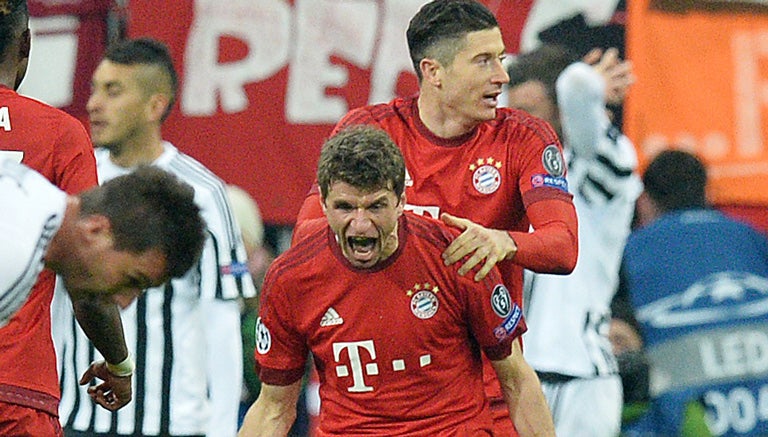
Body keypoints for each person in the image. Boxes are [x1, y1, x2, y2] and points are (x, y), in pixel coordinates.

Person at [294, 1, 577, 434]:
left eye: (501, 58)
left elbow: (563, 246)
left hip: (486, 394)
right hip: (376, 403)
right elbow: (307, 236)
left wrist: (505, 241)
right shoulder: (370, 131)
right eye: (483, 61)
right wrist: (419, 239)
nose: (501, 75)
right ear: (433, 71)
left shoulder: (523, 137)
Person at [240, 125, 551, 436]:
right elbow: (273, 408)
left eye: (376, 206)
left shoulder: (455, 256)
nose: (360, 224)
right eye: (345, 207)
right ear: (322, 202)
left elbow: (516, 379)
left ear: (401, 200)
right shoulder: (292, 278)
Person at [53, 38, 257, 437]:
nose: (94, 103)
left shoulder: (202, 193)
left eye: (113, 91)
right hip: (75, 420)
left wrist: (222, 430)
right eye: (95, 88)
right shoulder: (75, 179)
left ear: (155, 106)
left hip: (171, 425)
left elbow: (221, 319)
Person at [0, 0, 146, 434]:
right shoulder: (59, 135)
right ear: (26, 43)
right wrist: (119, 362)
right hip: (18, 391)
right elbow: (87, 279)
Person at [1, 159, 206, 433]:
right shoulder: (14, 253)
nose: (123, 302)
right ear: (96, 230)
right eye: (132, 281)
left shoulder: (27, 198)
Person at [505, 44, 641, 436]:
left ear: (562, 112)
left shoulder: (603, 167)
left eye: (529, 113)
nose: (516, 124)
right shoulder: (512, 178)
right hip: (516, 377)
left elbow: (576, 84)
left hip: (583, 379)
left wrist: (590, 83)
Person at [616, 149, 768, 436]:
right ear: (706, 193)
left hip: (680, 424)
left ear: (644, 202)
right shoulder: (753, 240)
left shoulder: (625, 254)